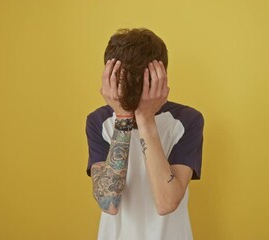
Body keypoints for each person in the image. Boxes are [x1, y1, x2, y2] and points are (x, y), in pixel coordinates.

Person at [85, 28, 204, 240]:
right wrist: (122, 117)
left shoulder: (188, 120)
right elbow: (109, 203)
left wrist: (146, 119)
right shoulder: (98, 121)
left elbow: (167, 202)